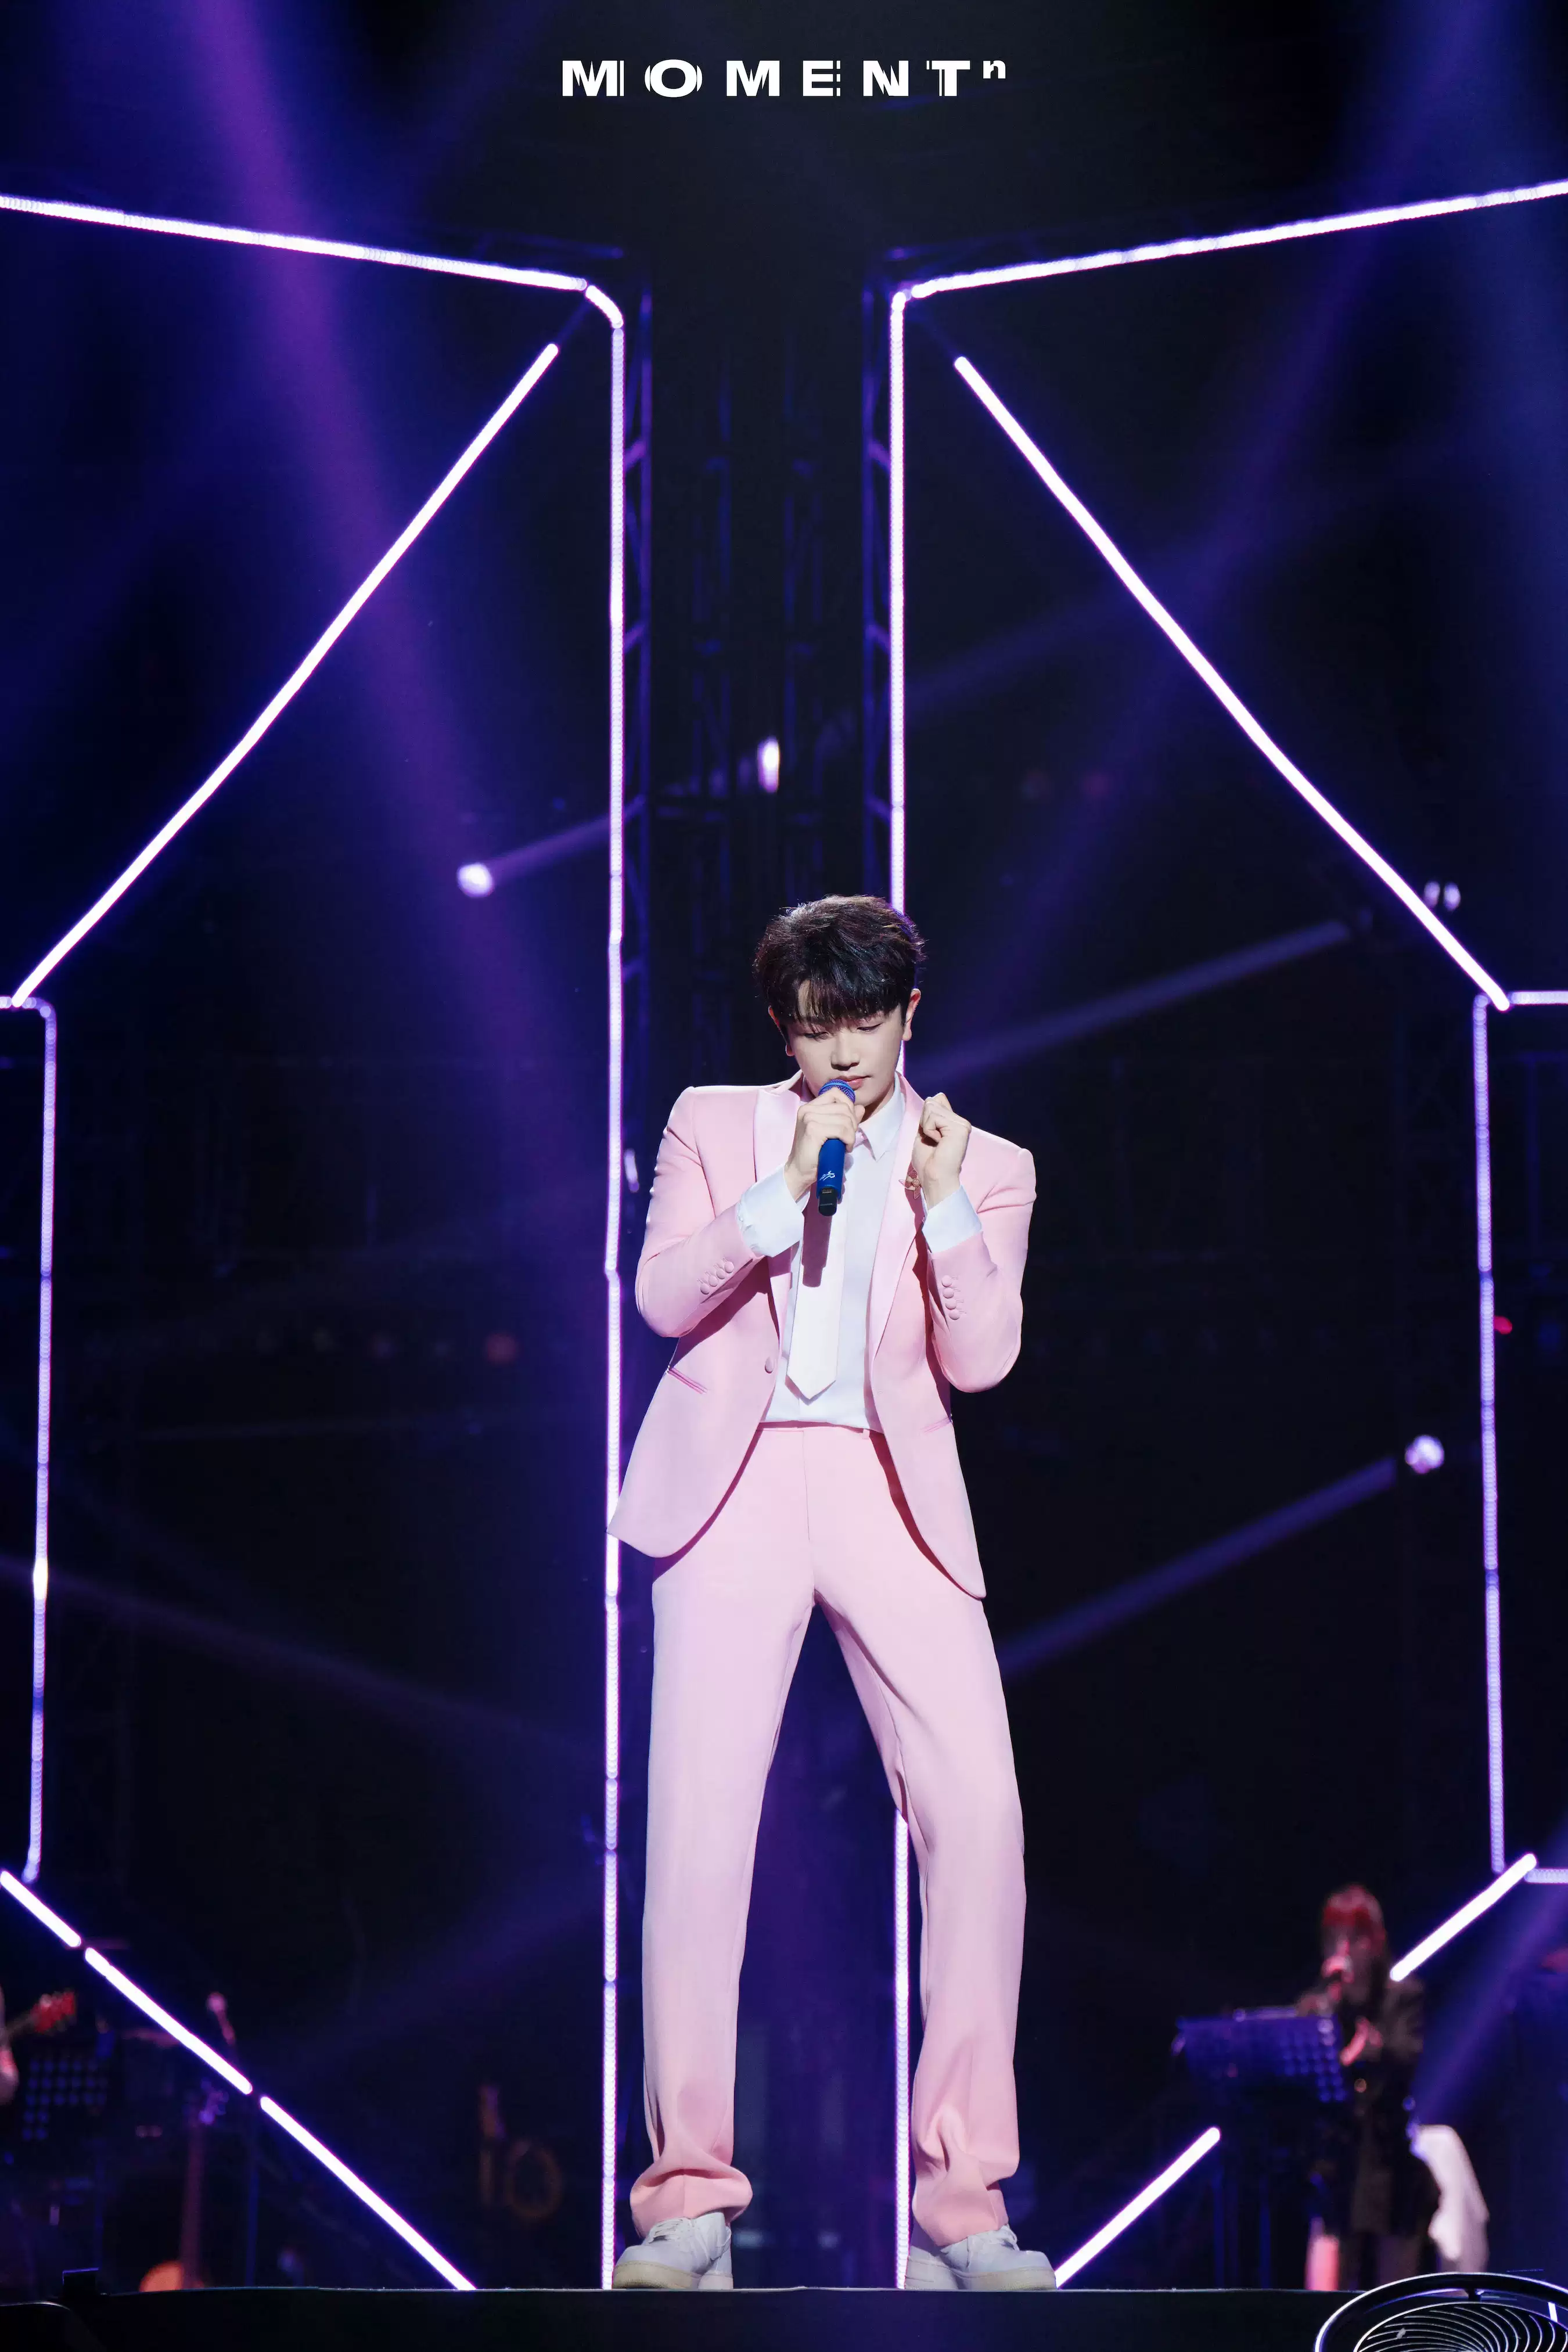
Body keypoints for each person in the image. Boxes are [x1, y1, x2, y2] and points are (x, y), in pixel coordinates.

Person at [607, 894, 1052, 2292]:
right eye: (813, 1025)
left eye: (862, 1018)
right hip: (730, 1487)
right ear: (781, 1024)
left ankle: (960, 2204)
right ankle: (687, 2203)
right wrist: (776, 1190)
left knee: (980, 1817)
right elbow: (660, 1298)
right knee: (695, 1837)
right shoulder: (713, 1122)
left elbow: (981, 1360)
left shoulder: (987, 1162)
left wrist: (937, 1202)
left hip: (887, 1488)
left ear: (909, 1012)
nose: (840, 1049)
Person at [1297, 1885, 1437, 2290]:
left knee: (1392, 2300)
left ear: (1375, 1941)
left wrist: (1374, 2051)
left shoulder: (1403, 1997)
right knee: (1324, 2294)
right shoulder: (1317, 2007)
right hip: (1336, 2164)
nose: (1344, 1948)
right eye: (1335, 1937)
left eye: (1354, 1937)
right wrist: (1331, 2006)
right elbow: (1302, 2073)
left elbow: (1408, 2058)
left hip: (1388, 2162)